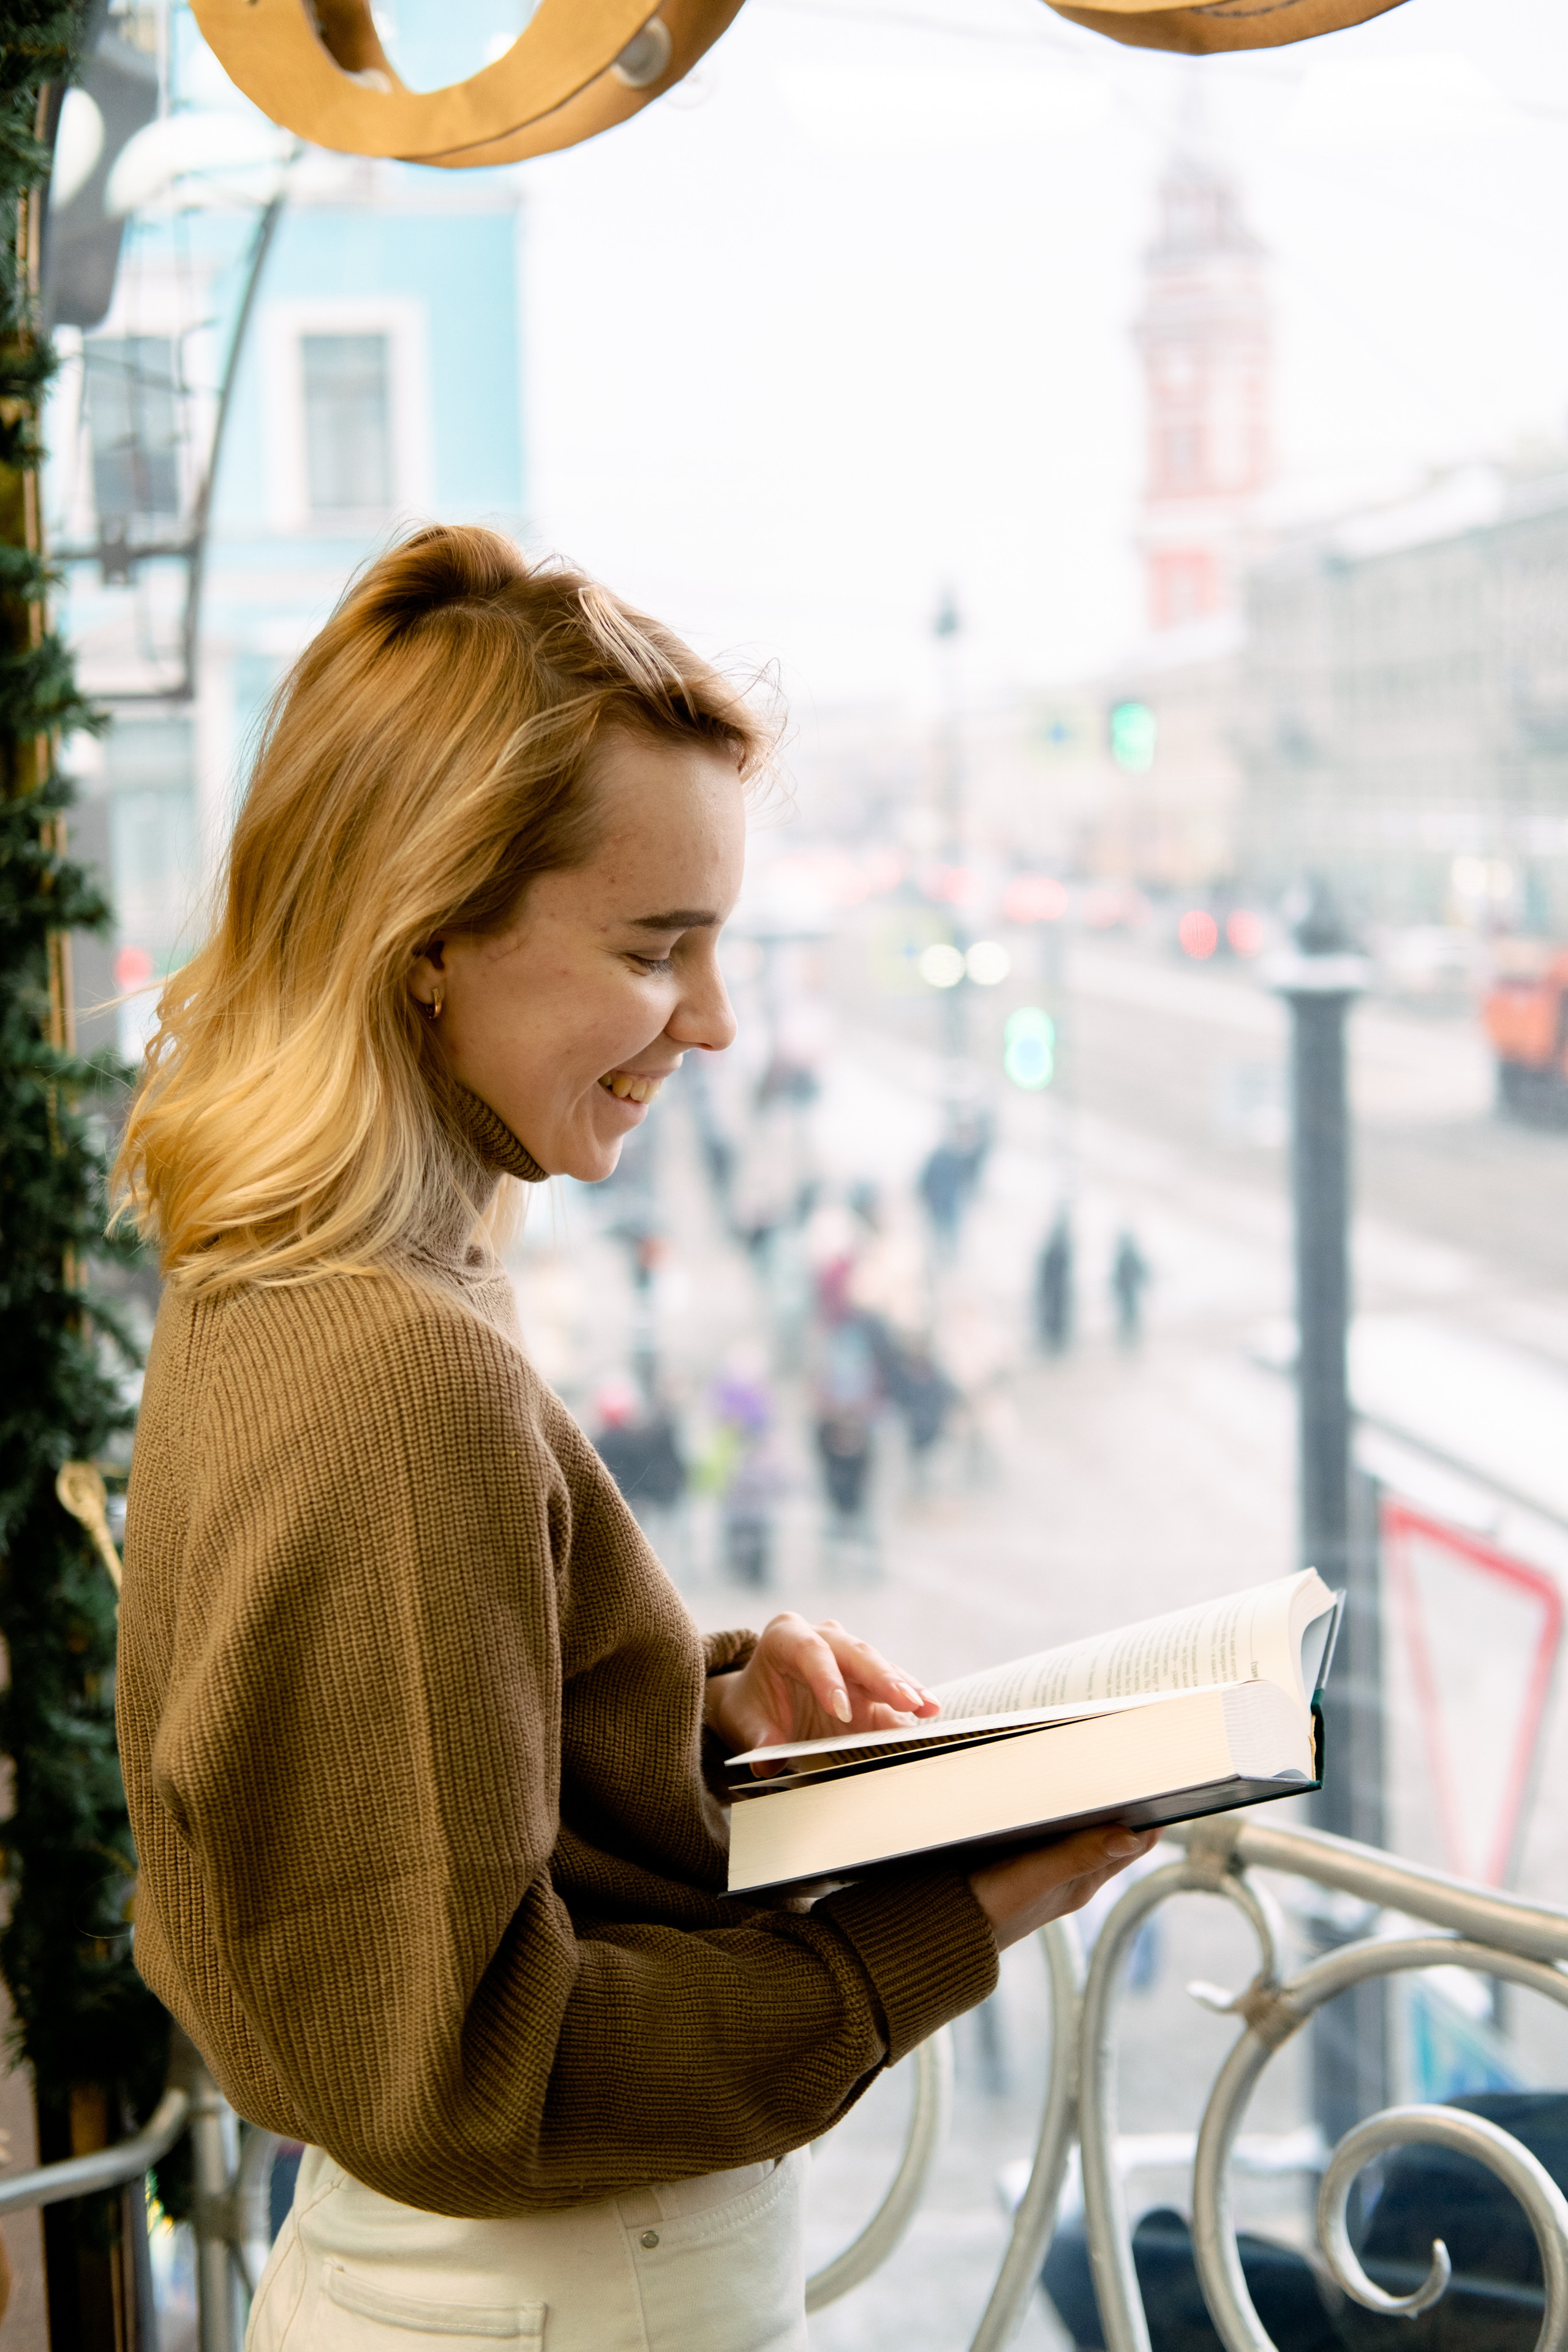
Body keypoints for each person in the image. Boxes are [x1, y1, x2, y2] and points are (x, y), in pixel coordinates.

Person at [111, 527, 1154, 2352]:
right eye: (657, 948)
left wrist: (692, 1697)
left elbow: (381, 1801)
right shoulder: (397, 1363)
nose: (720, 1022)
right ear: (428, 935)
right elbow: (473, 2065)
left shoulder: (288, 1281)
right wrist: (950, 1918)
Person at [1110, 1229, 1152, 1349]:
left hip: (1128, 1292)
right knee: (1128, 1315)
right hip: (1126, 1292)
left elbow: (1139, 1270)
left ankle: (1130, 1339)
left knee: (1129, 1315)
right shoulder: (1125, 1255)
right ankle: (1128, 1339)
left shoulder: (1126, 1255)